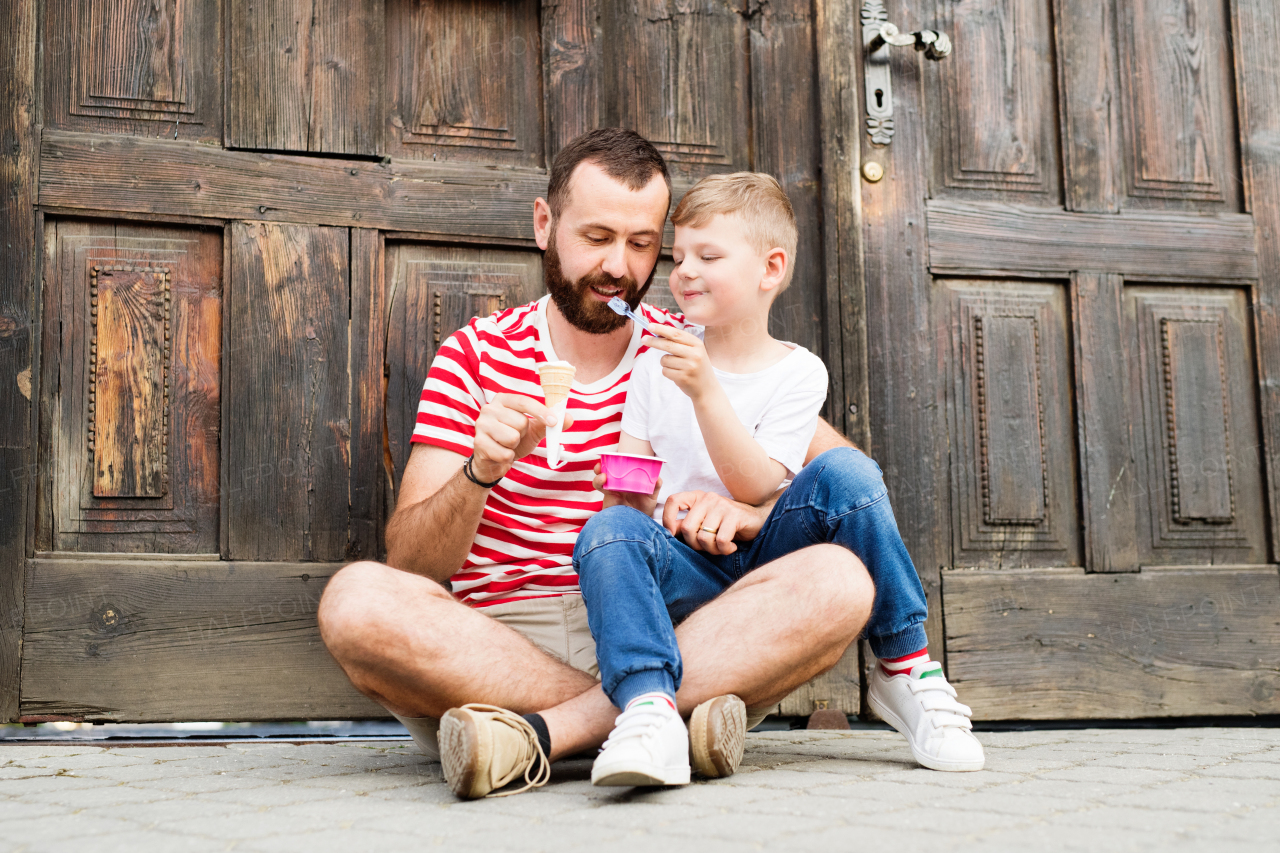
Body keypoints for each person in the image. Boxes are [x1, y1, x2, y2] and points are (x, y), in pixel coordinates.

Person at [317, 128, 872, 801]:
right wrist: (480, 470)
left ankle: (538, 736)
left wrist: (753, 512)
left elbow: (841, 481)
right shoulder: (474, 355)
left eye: (641, 244)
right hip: (498, 639)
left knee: (840, 578)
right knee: (357, 600)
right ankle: (661, 716)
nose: (618, 266)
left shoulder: (693, 349)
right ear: (544, 224)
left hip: (663, 623)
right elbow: (411, 560)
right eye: (597, 236)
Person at [578, 172, 984, 788]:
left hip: (771, 558)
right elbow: (627, 487)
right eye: (679, 255)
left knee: (849, 470)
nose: (684, 270)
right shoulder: (654, 365)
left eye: (708, 256)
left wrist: (706, 391)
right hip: (686, 566)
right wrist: (660, 515)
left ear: (770, 269)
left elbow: (757, 481)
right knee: (606, 529)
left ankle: (905, 667)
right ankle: (647, 710)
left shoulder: (799, 372)